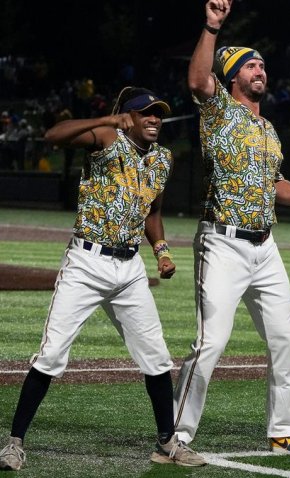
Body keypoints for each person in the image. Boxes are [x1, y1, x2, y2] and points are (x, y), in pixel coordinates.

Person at [0, 87, 205, 471]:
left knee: (157, 358)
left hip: (129, 270)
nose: (154, 120)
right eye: (145, 114)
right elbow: (53, 136)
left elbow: (152, 210)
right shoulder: (108, 139)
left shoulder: (163, 159)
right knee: (51, 354)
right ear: (127, 117)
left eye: (158, 114)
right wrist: (106, 120)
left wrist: (161, 250)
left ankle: (166, 442)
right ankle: (14, 443)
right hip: (86, 263)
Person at [172, 0, 290, 461]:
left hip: (265, 246)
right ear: (233, 77)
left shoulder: (268, 130)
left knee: (285, 340)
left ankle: (283, 431)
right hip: (223, 243)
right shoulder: (220, 110)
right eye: (250, 65)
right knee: (211, 343)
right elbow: (196, 80)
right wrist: (211, 27)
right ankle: (177, 435)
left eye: (262, 64)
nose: (260, 69)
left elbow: (273, 184)